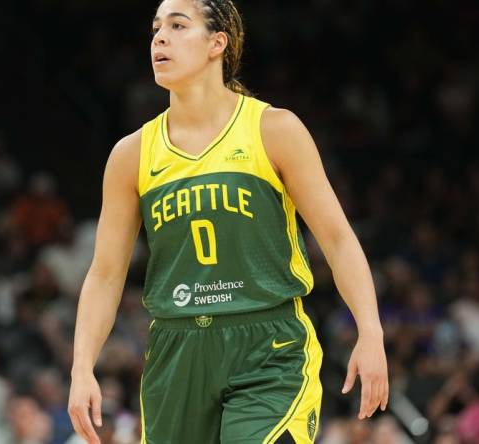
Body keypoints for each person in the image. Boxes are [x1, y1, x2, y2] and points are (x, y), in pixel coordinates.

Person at [68, 0, 389, 442]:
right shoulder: (131, 155)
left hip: (267, 345)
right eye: (156, 28)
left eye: (178, 25)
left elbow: (337, 238)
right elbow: (105, 274)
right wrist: (82, 366)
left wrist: (370, 331)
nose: (159, 37)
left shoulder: (274, 129)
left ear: (217, 42)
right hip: (175, 351)